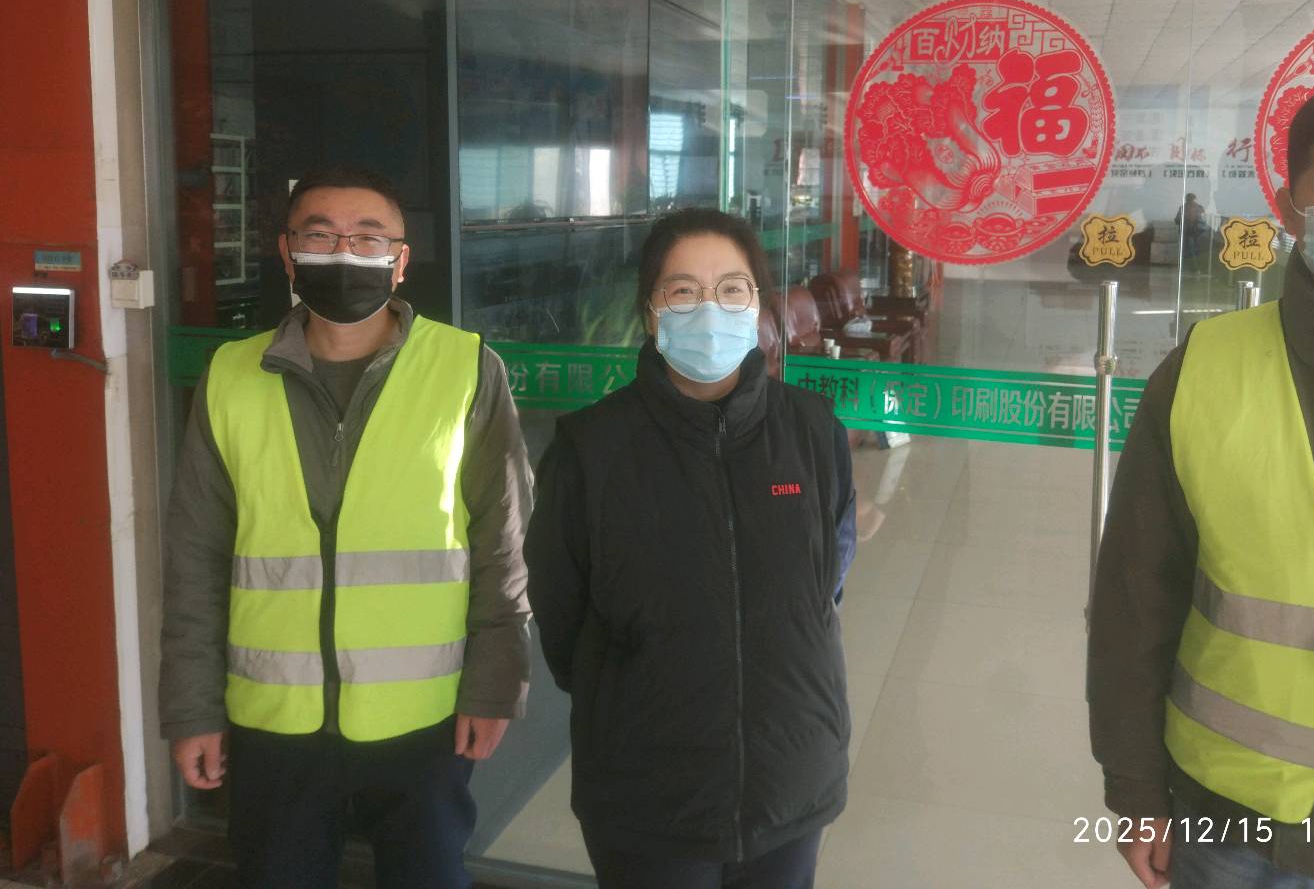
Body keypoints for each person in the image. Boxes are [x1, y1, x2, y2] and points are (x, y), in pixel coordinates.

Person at [1089, 75, 1314, 889]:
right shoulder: (1206, 369)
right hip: (1233, 820)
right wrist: (1134, 789)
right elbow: (1135, 600)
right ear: (1291, 209)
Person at [159, 166, 532, 888]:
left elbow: (503, 543)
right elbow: (195, 556)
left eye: (368, 237)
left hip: (423, 717)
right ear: (287, 252)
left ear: (401, 260)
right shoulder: (231, 375)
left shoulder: (464, 368)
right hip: (274, 717)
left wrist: (495, 684)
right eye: (321, 235)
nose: (344, 252)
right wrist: (191, 707)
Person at [524, 208, 857, 889]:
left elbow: (829, 577)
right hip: (648, 799)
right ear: (650, 313)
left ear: (757, 305)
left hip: (790, 781)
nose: (710, 308)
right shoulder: (592, 449)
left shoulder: (812, 429)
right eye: (683, 291)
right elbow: (563, 621)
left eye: (732, 288)